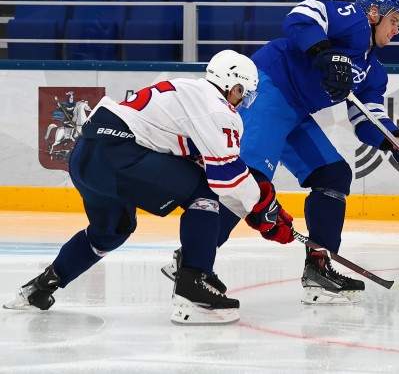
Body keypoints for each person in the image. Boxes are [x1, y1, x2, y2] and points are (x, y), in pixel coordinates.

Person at [3, 50, 295, 325]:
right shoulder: (218, 110)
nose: (242, 102)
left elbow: (205, 162)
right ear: (235, 86)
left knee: (110, 232)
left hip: (87, 155)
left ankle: (40, 288)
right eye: (244, 94)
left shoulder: (188, 90)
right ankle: (192, 285)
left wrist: (260, 206)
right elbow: (225, 178)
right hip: (120, 155)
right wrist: (262, 210)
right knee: (205, 195)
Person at [236, 0, 399, 305]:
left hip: (295, 112)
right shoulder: (354, 21)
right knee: (249, 183)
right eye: (394, 20)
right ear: (375, 13)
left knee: (333, 174)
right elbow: (300, 17)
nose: (397, 29)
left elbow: (367, 119)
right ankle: (191, 263)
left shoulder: (372, 71)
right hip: (270, 88)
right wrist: (325, 52)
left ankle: (318, 267)